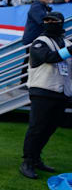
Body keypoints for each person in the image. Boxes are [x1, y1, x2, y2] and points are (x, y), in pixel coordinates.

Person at [20, 11, 71, 179]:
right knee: (37, 128)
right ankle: (27, 161)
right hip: (42, 91)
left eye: (53, 20)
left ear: (60, 22)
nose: (49, 22)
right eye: (46, 20)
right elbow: (48, 57)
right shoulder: (39, 42)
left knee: (49, 128)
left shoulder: (67, 42)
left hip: (62, 92)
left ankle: (36, 158)